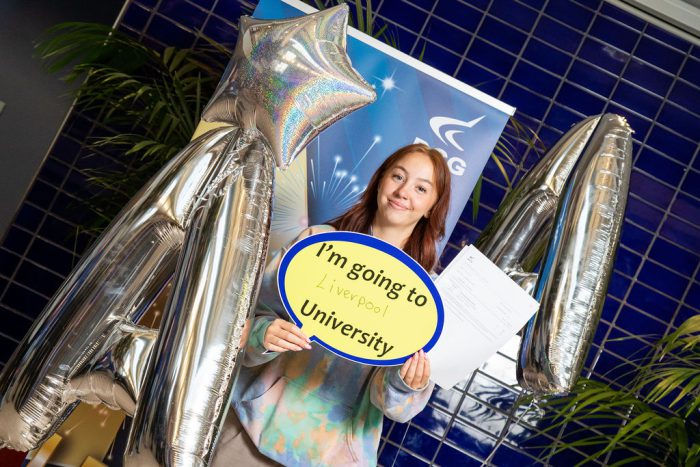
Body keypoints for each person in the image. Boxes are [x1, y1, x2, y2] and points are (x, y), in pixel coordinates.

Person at [213, 143, 452, 466]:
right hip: (248, 432)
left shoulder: (425, 299)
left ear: (430, 207)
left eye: (421, 188)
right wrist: (263, 334)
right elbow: (239, 320)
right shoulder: (314, 245)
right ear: (380, 180)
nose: (403, 191)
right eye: (397, 176)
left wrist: (408, 382)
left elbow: (396, 407)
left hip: (333, 457)